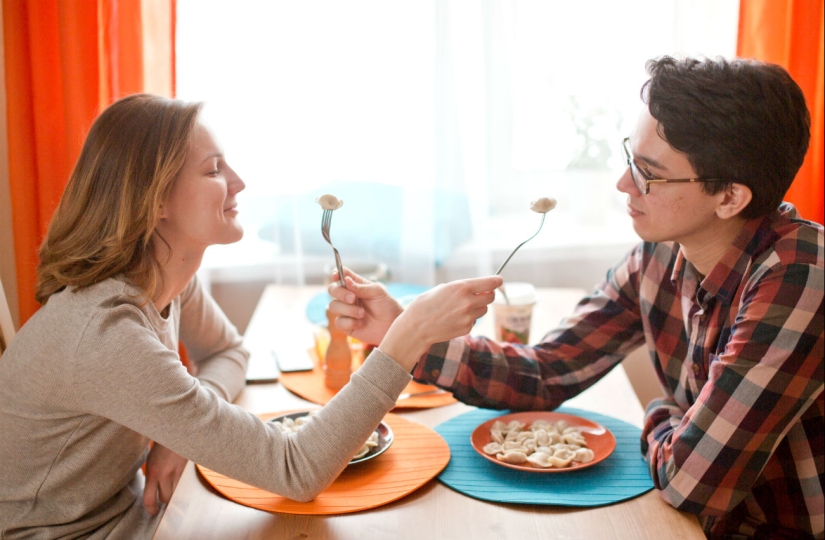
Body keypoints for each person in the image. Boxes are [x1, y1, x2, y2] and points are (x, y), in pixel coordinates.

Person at [328, 56, 824, 539]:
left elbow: (694, 482)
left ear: (729, 198)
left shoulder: (801, 276)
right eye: (631, 156)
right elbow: (547, 371)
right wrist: (405, 335)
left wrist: (657, 411)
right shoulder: (658, 255)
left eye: (649, 173)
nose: (623, 183)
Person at [0, 93, 502, 539]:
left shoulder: (163, 281)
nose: (239, 182)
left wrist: (179, 437)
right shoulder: (106, 335)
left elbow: (227, 350)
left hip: (138, 509)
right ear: (154, 201)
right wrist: (406, 336)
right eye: (214, 169)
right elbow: (296, 470)